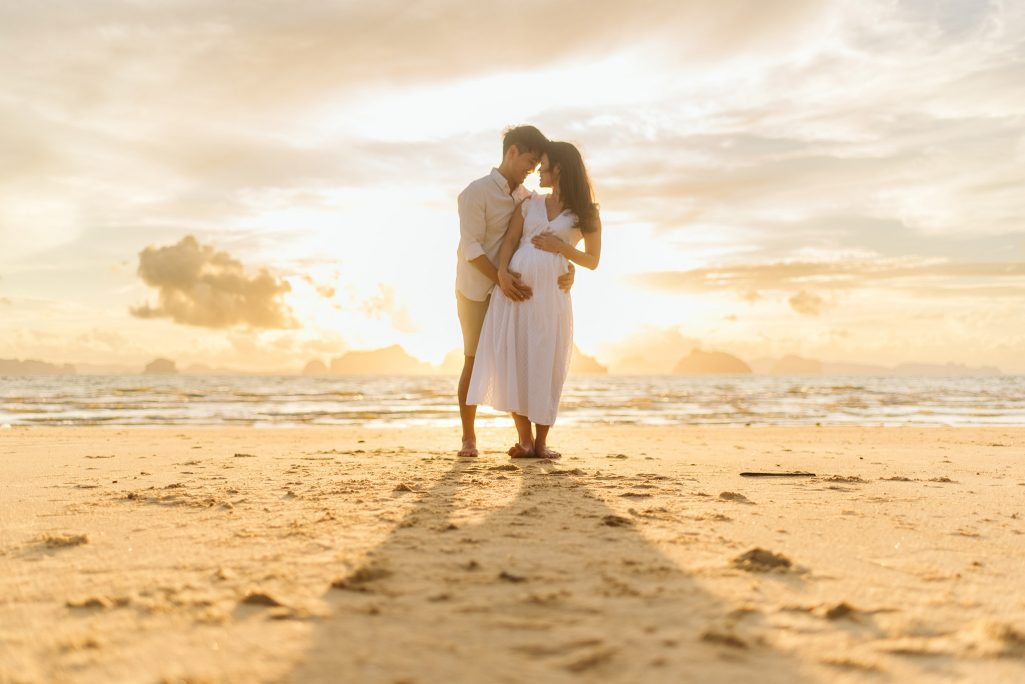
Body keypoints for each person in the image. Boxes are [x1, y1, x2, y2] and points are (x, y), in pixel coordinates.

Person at [467, 141, 602, 459]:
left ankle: (541, 443)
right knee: (516, 360)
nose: (539, 171)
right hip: (516, 294)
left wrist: (564, 251)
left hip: (551, 298)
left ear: (560, 169)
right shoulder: (528, 203)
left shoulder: (586, 213)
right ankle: (525, 440)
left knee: (546, 362)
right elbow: (511, 241)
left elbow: (593, 260)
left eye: (544, 165)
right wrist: (502, 274)